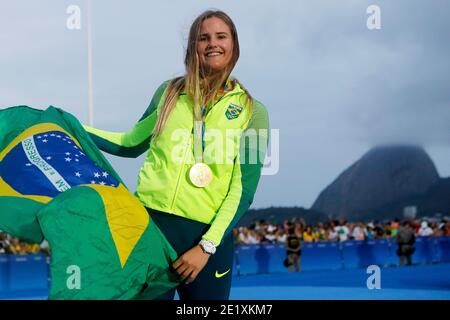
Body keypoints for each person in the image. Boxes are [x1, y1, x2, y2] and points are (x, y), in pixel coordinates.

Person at [84, 10, 269, 300]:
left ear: (234, 44)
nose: (212, 44)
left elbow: (243, 190)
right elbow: (130, 144)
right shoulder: (168, 93)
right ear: (192, 47)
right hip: (150, 230)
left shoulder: (253, 113)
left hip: (206, 241)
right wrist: (73, 128)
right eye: (203, 38)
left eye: (221, 36)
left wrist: (207, 246)